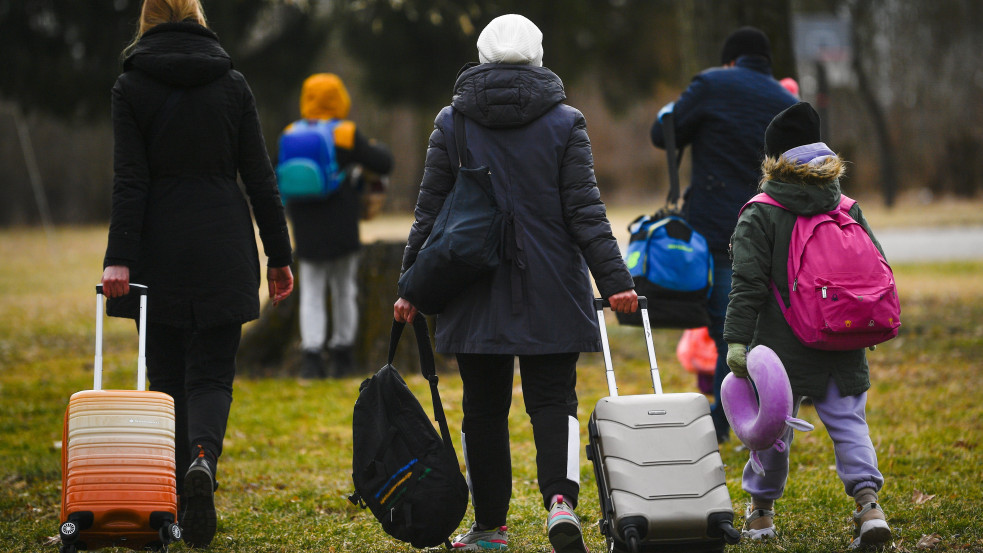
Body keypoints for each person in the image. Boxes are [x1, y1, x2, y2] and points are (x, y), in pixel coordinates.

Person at [393, 14, 637, 553]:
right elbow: (586, 213)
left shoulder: (451, 123)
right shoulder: (565, 122)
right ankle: (560, 505)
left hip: (470, 286)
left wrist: (410, 285)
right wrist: (615, 281)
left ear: (480, 55)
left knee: (482, 410)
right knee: (554, 402)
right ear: (538, 55)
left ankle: (490, 529)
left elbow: (428, 214)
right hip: (551, 283)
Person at [100, 0, 294, 547]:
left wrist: (119, 256)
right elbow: (260, 178)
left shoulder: (130, 87)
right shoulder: (231, 83)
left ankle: (174, 495)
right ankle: (203, 462)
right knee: (211, 374)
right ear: (197, 16)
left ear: (148, 20)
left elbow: (129, 180)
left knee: (164, 375)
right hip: (222, 246)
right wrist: (279, 257)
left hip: (157, 249)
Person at [724, 102, 892, 549]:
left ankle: (760, 515)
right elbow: (878, 267)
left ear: (773, 159)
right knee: (851, 426)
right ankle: (869, 506)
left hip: (781, 350)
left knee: (770, 432)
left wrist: (737, 341)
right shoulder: (845, 204)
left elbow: (747, 286)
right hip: (842, 339)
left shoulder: (760, 211)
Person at [650, 26, 797, 443]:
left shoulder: (713, 83)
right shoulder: (788, 102)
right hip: (774, 228)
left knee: (727, 331)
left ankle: (723, 422)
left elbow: (664, 134)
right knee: (756, 327)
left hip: (718, 229)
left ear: (731, 60)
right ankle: (739, 415)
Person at [282, 73, 394, 379]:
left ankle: (311, 358)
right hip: (340, 222)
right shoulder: (344, 132)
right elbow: (383, 162)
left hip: (304, 224)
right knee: (345, 288)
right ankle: (343, 355)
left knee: (312, 292)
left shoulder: (292, 132)